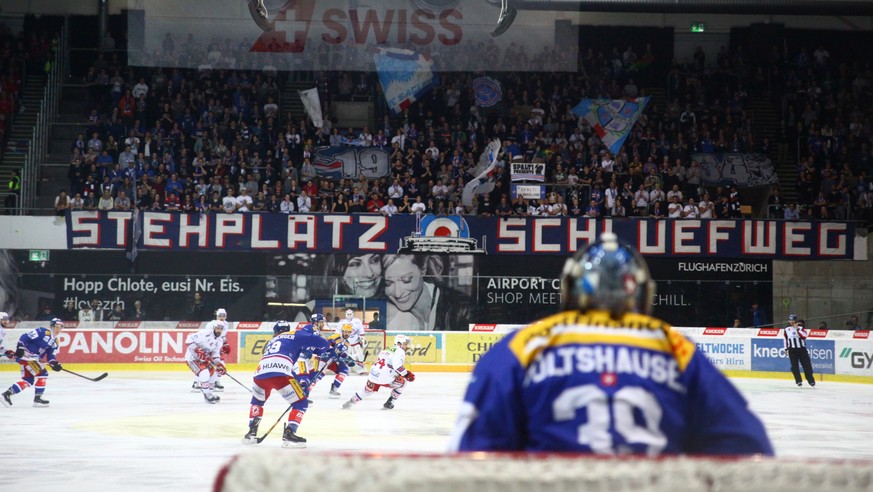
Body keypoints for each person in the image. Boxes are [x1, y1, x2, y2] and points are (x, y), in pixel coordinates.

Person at [448, 233, 773, 455]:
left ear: (570, 290)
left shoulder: (524, 345)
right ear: (642, 292)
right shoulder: (674, 347)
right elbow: (748, 450)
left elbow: (469, 456)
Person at [242, 320, 343, 448]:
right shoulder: (294, 334)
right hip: (280, 373)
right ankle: (289, 433)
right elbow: (315, 340)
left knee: (257, 401)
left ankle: (251, 433)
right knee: (301, 402)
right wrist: (330, 348)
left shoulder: (272, 341)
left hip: (259, 374)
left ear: (275, 332)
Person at [382, 254, 471, 331]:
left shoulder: (462, 309)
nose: (397, 293)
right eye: (388, 283)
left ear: (423, 269)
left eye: (406, 280)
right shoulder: (384, 312)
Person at [1, 318, 65, 408]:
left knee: (28, 381)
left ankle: (6, 394)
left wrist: (54, 363)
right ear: (52, 326)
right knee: (43, 374)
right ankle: (37, 399)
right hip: (27, 357)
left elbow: (51, 356)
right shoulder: (42, 332)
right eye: (56, 327)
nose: (58, 329)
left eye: (60, 327)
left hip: (33, 360)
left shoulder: (55, 342)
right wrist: (20, 347)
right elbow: (25, 336)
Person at [342, 334, 414, 410]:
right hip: (385, 378)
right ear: (399, 343)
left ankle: (350, 403)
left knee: (367, 391)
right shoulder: (400, 351)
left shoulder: (387, 349)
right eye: (405, 344)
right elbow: (397, 366)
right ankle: (390, 402)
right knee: (404, 382)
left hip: (373, 374)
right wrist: (407, 374)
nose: (407, 346)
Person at [184, 315, 228, 404]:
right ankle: (206, 395)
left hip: (203, 359)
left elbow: (215, 355)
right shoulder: (204, 333)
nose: (219, 330)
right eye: (217, 328)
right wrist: (197, 350)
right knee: (204, 373)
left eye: (221, 329)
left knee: (214, 373)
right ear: (214, 328)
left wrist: (219, 364)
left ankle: (209, 394)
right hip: (192, 358)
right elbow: (188, 339)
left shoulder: (219, 341)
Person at [192, 308, 230, 392]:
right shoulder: (211, 324)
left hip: (216, 346)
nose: (222, 317)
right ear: (217, 316)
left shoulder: (226, 324)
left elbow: (222, 336)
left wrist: (225, 343)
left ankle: (215, 381)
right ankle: (196, 382)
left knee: (220, 363)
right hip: (208, 346)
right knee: (204, 365)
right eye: (220, 315)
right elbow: (206, 336)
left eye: (224, 316)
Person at [784, 314, 816, 387]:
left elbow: (804, 336)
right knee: (794, 367)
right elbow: (785, 339)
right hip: (792, 350)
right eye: (790, 320)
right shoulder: (786, 329)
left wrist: (797, 329)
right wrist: (786, 348)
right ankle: (798, 381)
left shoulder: (801, 328)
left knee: (807, 365)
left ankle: (811, 380)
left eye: (793, 320)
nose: (791, 322)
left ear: (796, 321)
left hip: (801, 349)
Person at [338, 308, 368, 375]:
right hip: (345, 344)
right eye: (347, 314)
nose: (349, 315)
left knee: (358, 357)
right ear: (345, 314)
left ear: (353, 314)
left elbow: (361, 332)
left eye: (350, 314)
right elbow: (337, 333)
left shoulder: (357, 321)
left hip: (355, 343)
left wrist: (363, 340)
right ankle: (345, 370)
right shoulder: (341, 322)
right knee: (345, 357)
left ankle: (361, 370)